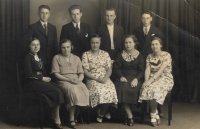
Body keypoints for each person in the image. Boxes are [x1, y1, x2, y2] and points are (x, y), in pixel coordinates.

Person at [23, 38, 65, 129]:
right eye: (33, 45)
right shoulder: (27, 57)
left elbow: (44, 72)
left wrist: (47, 78)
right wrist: (42, 78)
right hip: (32, 83)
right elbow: (28, 75)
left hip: (40, 82)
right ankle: (56, 119)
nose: (36, 47)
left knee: (60, 89)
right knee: (56, 91)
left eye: (37, 44)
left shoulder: (39, 57)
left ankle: (53, 116)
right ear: (29, 46)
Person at [51, 39, 89, 129]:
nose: (66, 49)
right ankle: (71, 118)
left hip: (76, 80)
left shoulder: (76, 58)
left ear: (71, 47)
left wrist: (79, 80)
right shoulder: (56, 58)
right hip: (63, 81)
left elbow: (81, 73)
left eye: (68, 47)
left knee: (85, 90)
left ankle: (76, 114)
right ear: (60, 48)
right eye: (63, 47)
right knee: (73, 91)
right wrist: (68, 80)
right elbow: (56, 74)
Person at [133, 11, 165, 117]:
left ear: (151, 19)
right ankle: (140, 106)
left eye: (147, 18)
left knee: (153, 82)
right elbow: (134, 45)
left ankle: (158, 108)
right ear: (141, 19)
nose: (145, 20)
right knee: (140, 79)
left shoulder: (156, 30)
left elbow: (158, 47)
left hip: (152, 61)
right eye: (143, 18)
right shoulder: (136, 30)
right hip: (140, 59)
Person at [82, 34, 118, 123]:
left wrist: (105, 78)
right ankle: (104, 111)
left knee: (111, 89)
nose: (95, 45)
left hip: (104, 77)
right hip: (92, 78)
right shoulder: (86, 54)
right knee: (98, 91)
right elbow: (85, 72)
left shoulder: (105, 54)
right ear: (90, 43)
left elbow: (109, 69)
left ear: (100, 43)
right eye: (93, 43)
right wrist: (96, 79)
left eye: (97, 43)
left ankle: (101, 113)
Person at [138, 37, 174, 127]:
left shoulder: (166, 55)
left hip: (165, 78)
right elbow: (147, 70)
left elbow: (161, 70)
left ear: (160, 45)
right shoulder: (149, 56)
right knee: (145, 89)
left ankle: (152, 115)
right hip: (151, 78)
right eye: (152, 44)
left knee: (154, 89)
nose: (154, 46)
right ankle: (155, 112)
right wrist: (146, 82)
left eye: (156, 44)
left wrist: (150, 80)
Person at [113, 35, 145, 126]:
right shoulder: (120, 55)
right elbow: (116, 69)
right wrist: (121, 76)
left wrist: (136, 79)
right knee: (122, 87)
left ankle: (127, 115)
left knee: (134, 88)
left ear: (135, 43)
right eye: (126, 42)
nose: (128, 44)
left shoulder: (140, 55)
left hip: (136, 78)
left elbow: (142, 71)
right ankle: (130, 116)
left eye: (130, 42)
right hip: (124, 77)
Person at [21, 5, 58, 75]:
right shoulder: (33, 27)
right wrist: (32, 55)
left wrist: (56, 58)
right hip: (38, 59)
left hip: (51, 59)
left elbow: (55, 44)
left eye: (46, 13)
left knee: (52, 79)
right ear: (38, 13)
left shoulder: (53, 28)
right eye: (42, 13)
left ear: (49, 14)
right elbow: (23, 43)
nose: (44, 15)